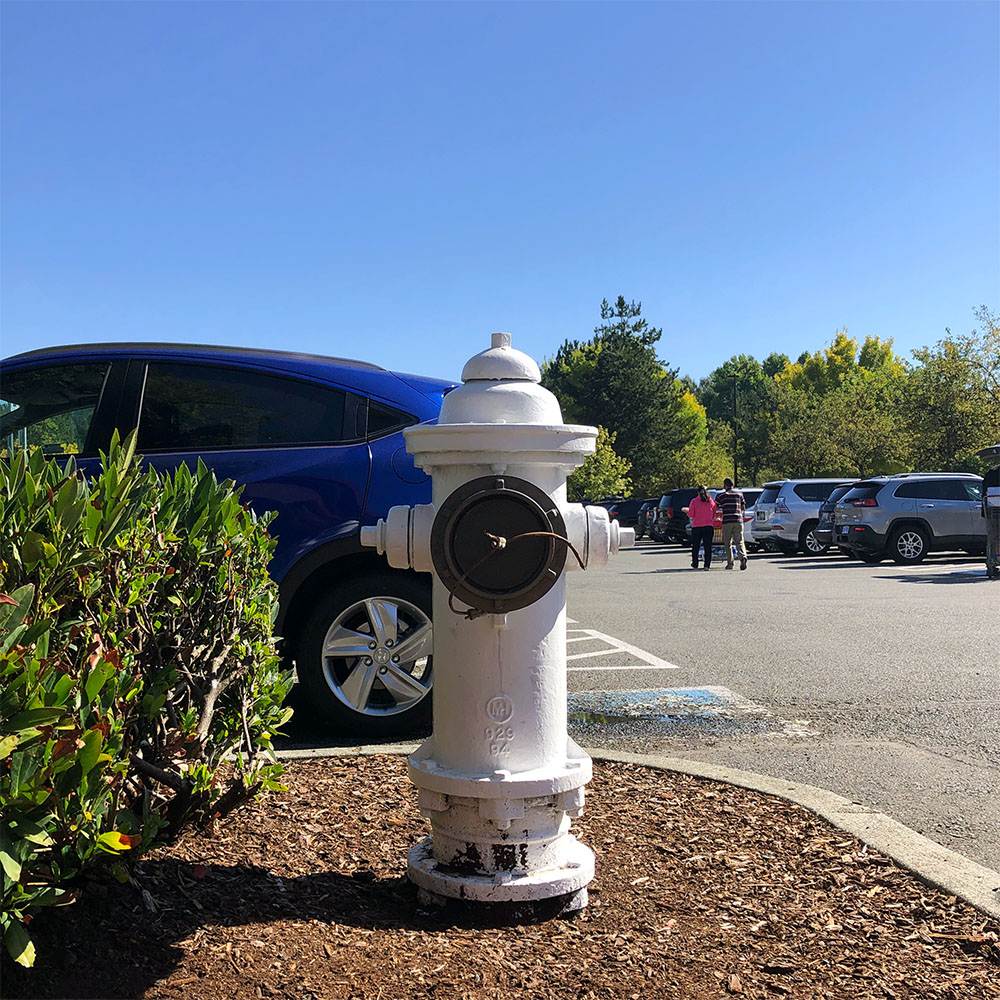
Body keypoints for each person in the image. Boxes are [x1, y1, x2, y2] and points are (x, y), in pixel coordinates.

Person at [716, 477, 749, 570]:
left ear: (725, 485)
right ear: (733, 485)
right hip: (738, 520)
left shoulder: (721, 496)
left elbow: (717, 507)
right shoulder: (739, 494)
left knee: (728, 543)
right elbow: (743, 507)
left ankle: (730, 563)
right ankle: (743, 557)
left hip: (727, 521)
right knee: (739, 541)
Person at [686, 485, 717, 570]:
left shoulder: (694, 501)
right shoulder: (711, 501)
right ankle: (707, 565)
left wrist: (687, 512)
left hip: (697, 526)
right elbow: (714, 514)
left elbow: (691, 514)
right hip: (708, 526)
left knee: (695, 546)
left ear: (697, 492)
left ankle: (695, 563)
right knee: (708, 546)